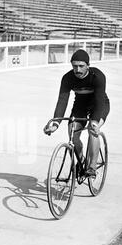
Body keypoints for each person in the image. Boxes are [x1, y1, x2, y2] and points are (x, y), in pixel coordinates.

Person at [43, 49, 110, 178]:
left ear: (88, 66)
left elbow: (100, 101)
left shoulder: (98, 76)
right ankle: (81, 161)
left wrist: (95, 122)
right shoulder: (68, 78)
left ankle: (92, 167)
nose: (78, 70)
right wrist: (55, 123)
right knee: (72, 134)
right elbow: (62, 101)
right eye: (75, 66)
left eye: (81, 66)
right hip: (80, 105)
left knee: (92, 129)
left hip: (99, 105)